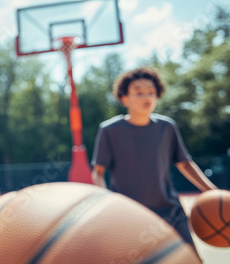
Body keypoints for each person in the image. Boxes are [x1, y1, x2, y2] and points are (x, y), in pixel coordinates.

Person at [91, 67, 217, 248]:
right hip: (130, 214)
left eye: (151, 92)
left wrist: (212, 191)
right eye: (139, 92)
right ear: (124, 98)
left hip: (171, 211)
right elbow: (98, 172)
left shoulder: (167, 127)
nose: (147, 96)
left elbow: (185, 164)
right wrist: (107, 202)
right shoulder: (110, 130)